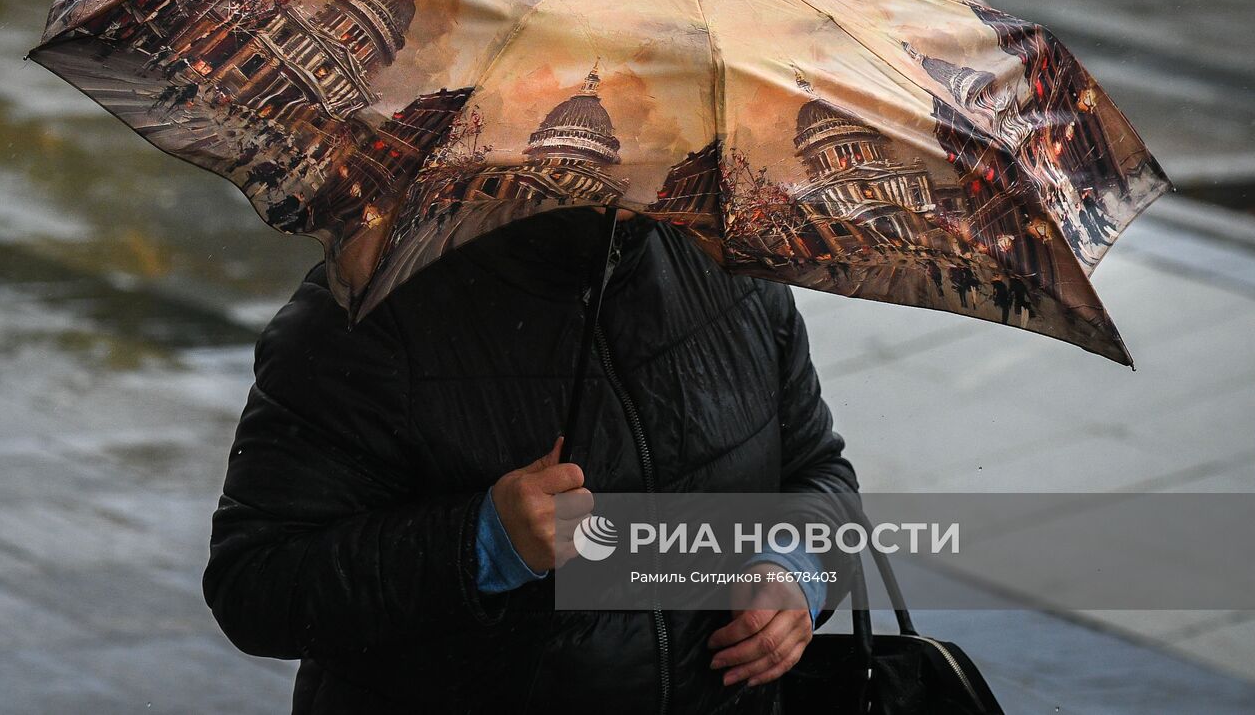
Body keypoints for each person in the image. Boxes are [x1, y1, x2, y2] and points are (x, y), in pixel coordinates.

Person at [204, 208, 860, 714]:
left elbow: (819, 472)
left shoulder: (729, 265)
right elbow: (257, 582)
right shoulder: (367, 311)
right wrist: (479, 543)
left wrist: (800, 568)